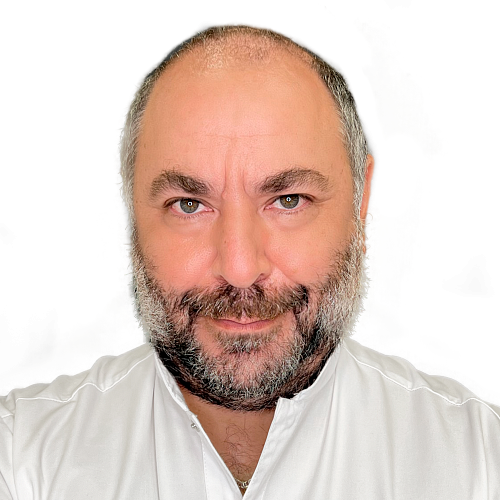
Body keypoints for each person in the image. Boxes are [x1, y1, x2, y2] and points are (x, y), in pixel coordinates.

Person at [1, 21, 498, 500]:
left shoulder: (481, 462)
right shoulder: (21, 457)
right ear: (128, 215)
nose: (240, 269)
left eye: (288, 200)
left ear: (362, 200)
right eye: (189, 204)